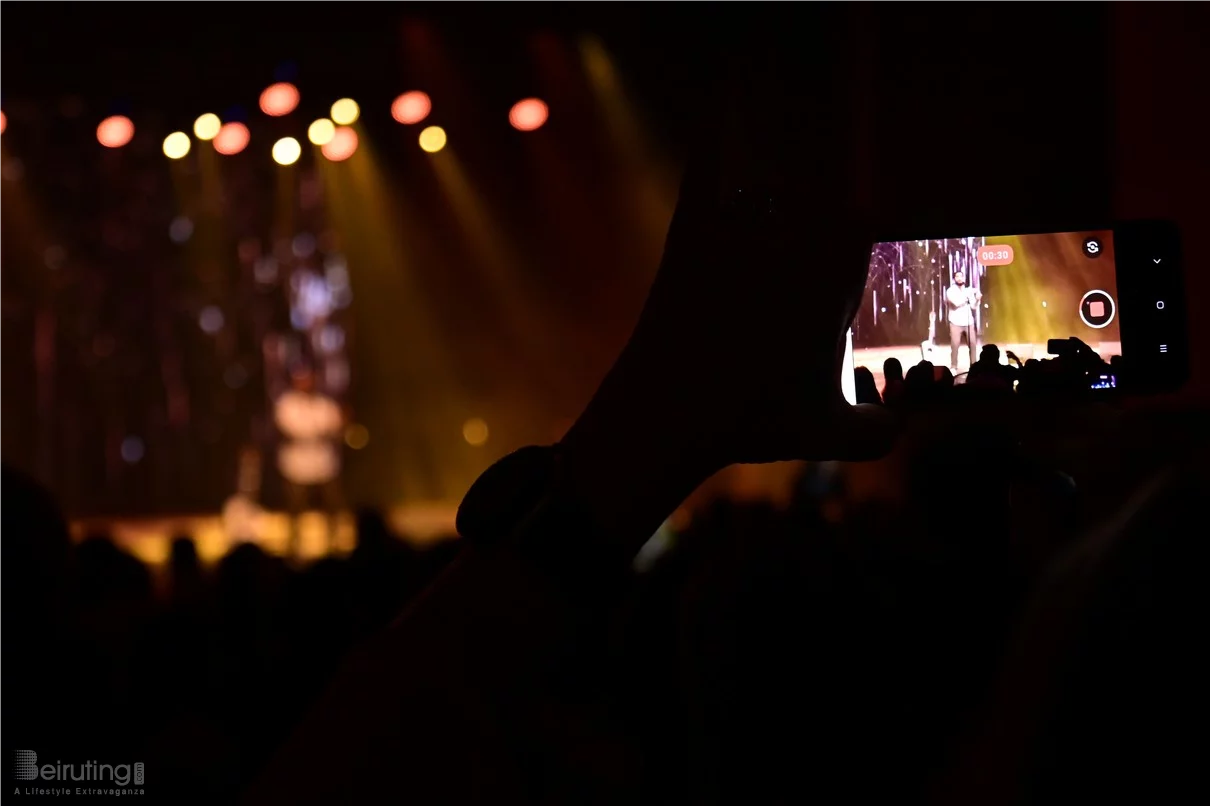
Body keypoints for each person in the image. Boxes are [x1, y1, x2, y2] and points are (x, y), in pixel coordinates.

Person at [274, 368, 344, 557]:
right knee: (295, 507)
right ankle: (294, 544)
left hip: (323, 462)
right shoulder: (287, 404)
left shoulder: (325, 404)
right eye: (301, 380)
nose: (305, 384)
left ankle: (334, 543)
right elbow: (288, 428)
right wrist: (312, 433)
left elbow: (335, 425)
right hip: (297, 464)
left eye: (308, 380)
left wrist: (316, 433)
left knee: (331, 504)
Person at [946, 270, 981, 372]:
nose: (959, 278)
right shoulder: (950, 291)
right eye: (957, 276)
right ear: (954, 279)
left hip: (968, 322)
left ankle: (974, 367)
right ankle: (953, 366)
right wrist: (968, 294)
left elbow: (973, 306)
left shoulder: (967, 290)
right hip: (955, 322)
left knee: (973, 344)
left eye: (961, 276)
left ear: (964, 278)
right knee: (955, 345)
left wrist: (977, 299)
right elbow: (956, 303)